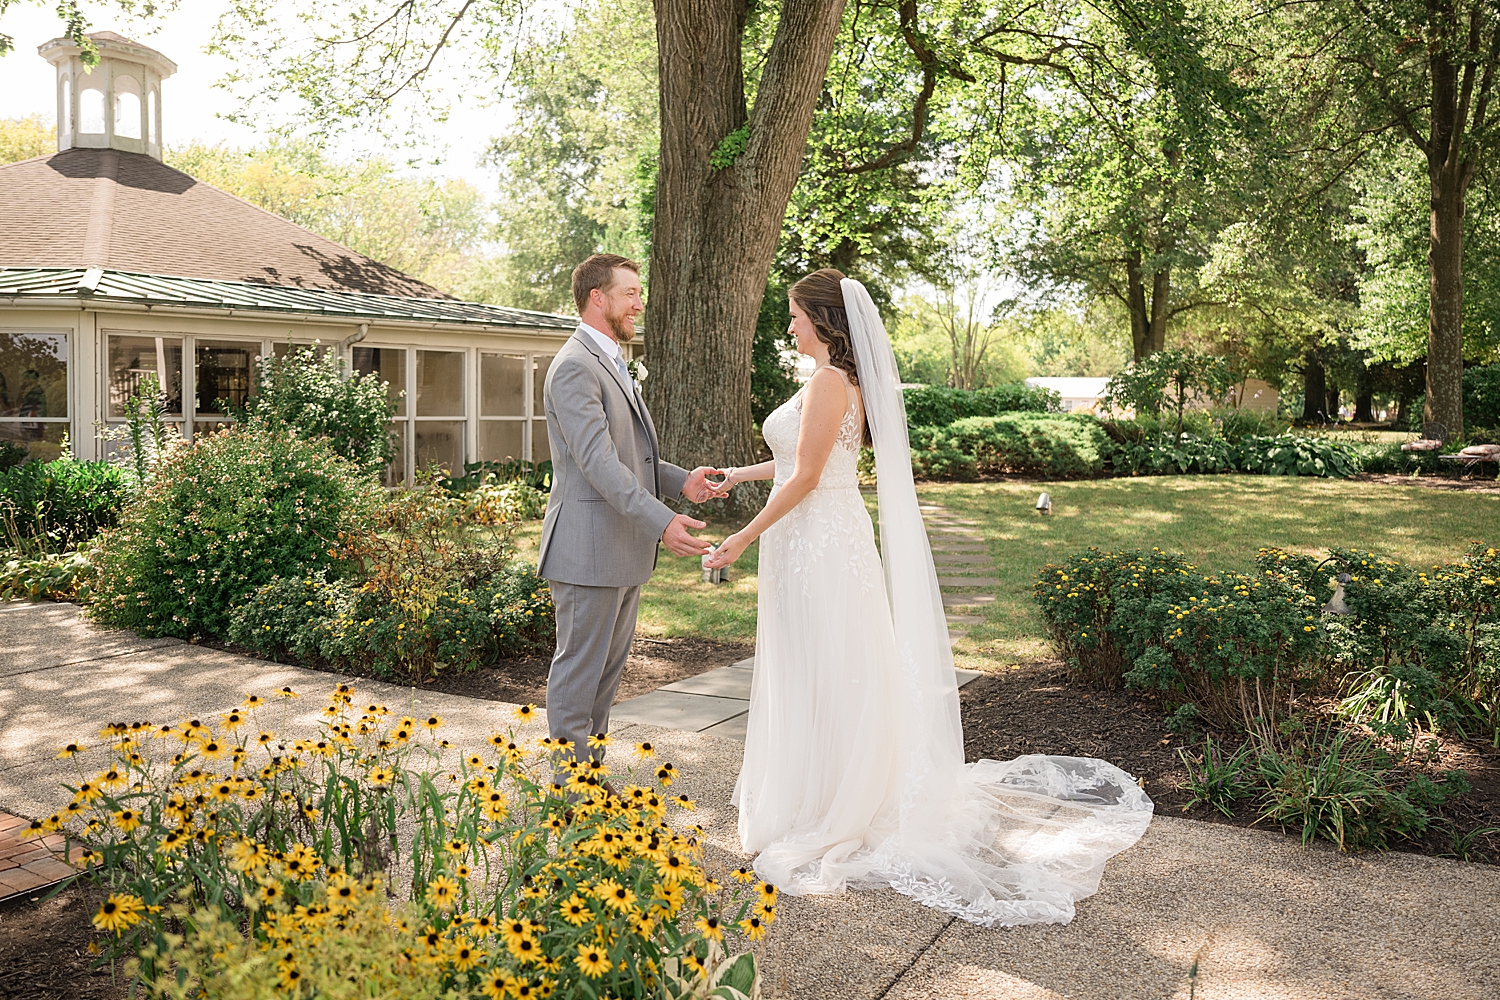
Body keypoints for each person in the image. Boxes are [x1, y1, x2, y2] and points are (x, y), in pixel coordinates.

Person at [705, 269, 1153, 927]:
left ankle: (837, 800)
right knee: (815, 667)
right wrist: (736, 476)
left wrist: (741, 537)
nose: (791, 325)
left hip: (822, 542)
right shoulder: (827, 382)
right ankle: (818, 788)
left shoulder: (832, 382)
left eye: (798, 315)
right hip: (808, 540)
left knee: (835, 666)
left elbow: (806, 478)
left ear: (824, 320)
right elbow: (803, 459)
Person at [538, 253, 727, 784]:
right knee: (579, 678)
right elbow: (597, 463)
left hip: (619, 550)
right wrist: (663, 521)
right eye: (630, 294)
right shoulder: (576, 365)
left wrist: (678, 480)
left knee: (604, 681)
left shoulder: (611, 360)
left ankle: (587, 781)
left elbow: (627, 455)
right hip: (587, 549)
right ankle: (568, 795)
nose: (638, 304)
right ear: (597, 298)